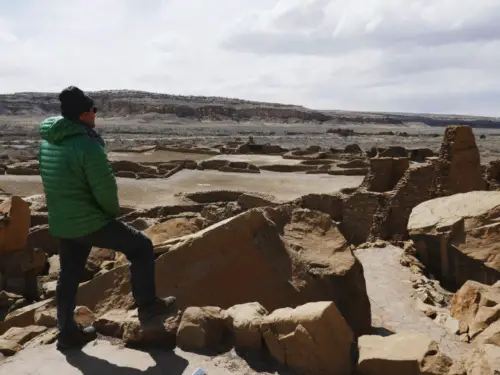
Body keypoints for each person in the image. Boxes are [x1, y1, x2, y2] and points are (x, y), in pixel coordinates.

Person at [38, 86, 176, 350]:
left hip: (63, 221)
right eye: (94, 110)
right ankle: (147, 307)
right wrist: (111, 215)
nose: (96, 115)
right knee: (141, 246)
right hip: (90, 221)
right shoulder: (87, 145)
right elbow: (105, 188)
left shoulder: (48, 142)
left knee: (68, 275)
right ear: (85, 113)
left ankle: (66, 332)